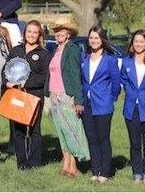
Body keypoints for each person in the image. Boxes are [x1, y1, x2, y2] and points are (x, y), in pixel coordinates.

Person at [44, 17, 90, 178]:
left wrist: (77, 99)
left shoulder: (72, 49)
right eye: (56, 30)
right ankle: (66, 163)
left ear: (68, 33)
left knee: (71, 130)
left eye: (61, 30)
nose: (58, 33)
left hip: (66, 95)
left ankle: (73, 166)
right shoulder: (56, 50)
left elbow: (75, 75)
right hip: (53, 95)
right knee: (62, 132)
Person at [2, 20, 50, 170]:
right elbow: (5, 70)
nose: (32, 35)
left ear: (39, 35)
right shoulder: (16, 50)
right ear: (25, 33)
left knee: (34, 129)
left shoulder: (43, 54)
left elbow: (45, 77)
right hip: (16, 95)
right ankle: (21, 162)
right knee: (18, 130)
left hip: (35, 96)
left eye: (35, 32)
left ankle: (34, 162)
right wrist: (7, 82)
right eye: (29, 31)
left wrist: (26, 83)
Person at [81, 26, 121, 183]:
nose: (93, 41)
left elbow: (116, 83)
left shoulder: (110, 59)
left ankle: (105, 172)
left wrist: (111, 98)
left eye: (97, 38)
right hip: (87, 104)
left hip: (103, 104)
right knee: (92, 138)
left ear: (102, 39)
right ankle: (95, 170)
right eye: (91, 38)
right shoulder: (84, 57)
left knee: (103, 138)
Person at [120, 29, 145, 185]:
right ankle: (137, 173)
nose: (138, 44)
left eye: (141, 41)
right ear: (132, 43)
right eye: (135, 41)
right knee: (135, 143)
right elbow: (124, 79)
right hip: (131, 107)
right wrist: (130, 92)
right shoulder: (127, 61)